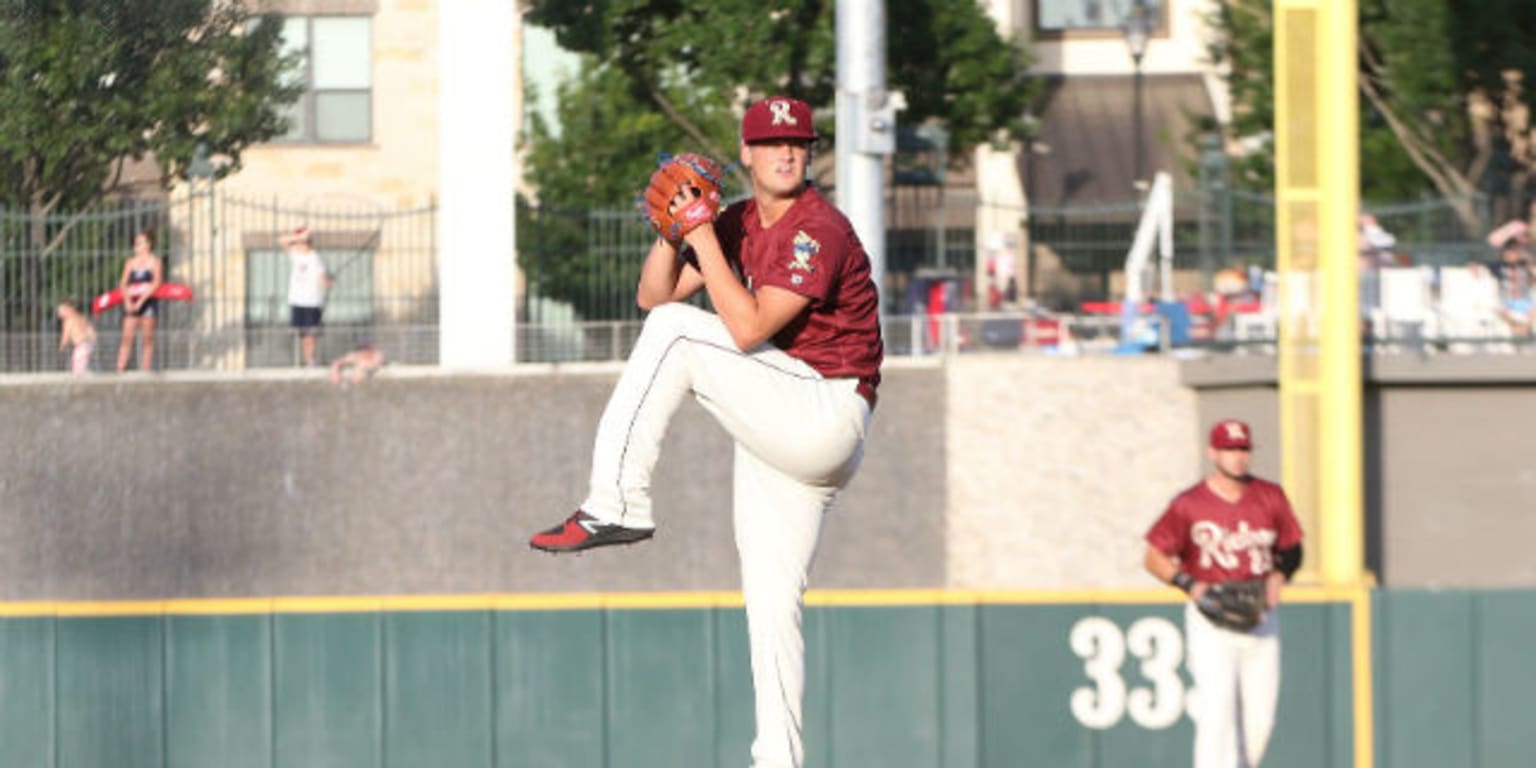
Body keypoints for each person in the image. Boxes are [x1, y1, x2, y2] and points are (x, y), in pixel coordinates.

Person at [528, 95, 882, 768]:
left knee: (674, 338)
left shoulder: (817, 229)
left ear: (809, 154)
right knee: (771, 607)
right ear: (745, 153)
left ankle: (617, 503)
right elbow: (653, 296)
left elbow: (746, 329)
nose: (787, 152)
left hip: (823, 410)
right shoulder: (742, 220)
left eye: (800, 143)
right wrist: (675, 233)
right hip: (784, 422)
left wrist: (699, 234)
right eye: (773, 143)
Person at [1142, 420, 1304, 768]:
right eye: (1229, 449)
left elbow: (1292, 547)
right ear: (1212, 452)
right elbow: (1153, 556)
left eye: (1243, 449)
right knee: (1217, 716)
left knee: (1260, 721)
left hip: (1259, 613)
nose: (1237, 457)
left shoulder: (1269, 496)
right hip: (1211, 618)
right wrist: (1190, 585)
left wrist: (1280, 574)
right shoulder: (1190, 503)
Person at [115, 228, 163, 372]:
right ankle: (120, 368)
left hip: (147, 302)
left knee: (147, 339)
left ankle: (145, 370)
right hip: (131, 303)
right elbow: (123, 283)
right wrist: (127, 301)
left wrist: (142, 300)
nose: (136, 246)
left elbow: (156, 282)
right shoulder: (130, 262)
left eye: (140, 243)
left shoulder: (155, 262)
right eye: (135, 243)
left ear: (148, 244)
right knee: (126, 336)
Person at [282, 226, 332, 366]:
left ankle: (310, 360)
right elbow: (282, 241)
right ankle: (304, 360)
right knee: (302, 334)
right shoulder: (295, 254)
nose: (300, 244)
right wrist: (298, 237)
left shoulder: (315, 258)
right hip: (297, 300)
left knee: (311, 334)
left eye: (304, 241)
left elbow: (322, 279)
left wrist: (327, 282)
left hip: (312, 301)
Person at [56, 299, 96, 375]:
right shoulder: (81, 317)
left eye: (61, 312)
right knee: (84, 362)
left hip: (80, 345)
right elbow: (91, 332)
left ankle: (80, 380)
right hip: (89, 344)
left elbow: (65, 336)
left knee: (78, 367)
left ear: (69, 309)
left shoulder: (68, 321)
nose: (59, 315)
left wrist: (61, 347)